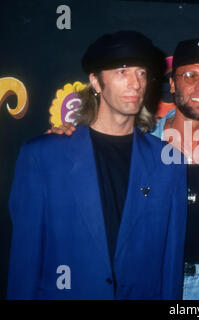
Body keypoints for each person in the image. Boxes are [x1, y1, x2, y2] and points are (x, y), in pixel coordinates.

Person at [50, 38, 199, 300]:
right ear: (172, 83)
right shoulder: (139, 144)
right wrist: (67, 135)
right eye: (190, 75)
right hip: (154, 283)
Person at [7, 30, 188, 299]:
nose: (135, 84)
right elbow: (24, 260)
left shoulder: (169, 163)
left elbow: (171, 262)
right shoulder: (43, 157)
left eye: (141, 73)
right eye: (122, 72)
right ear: (95, 81)